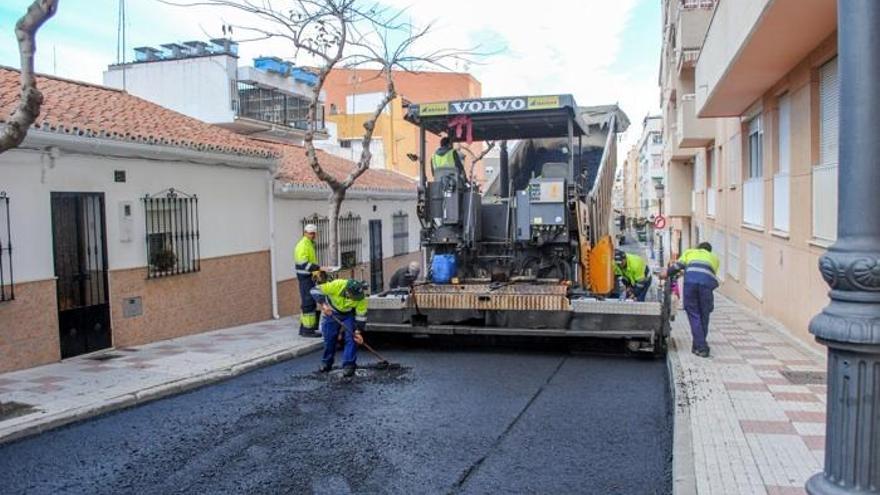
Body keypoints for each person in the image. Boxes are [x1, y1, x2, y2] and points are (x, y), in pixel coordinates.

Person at [666, 242, 720, 358]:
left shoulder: (690, 252)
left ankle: (701, 347)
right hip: (706, 286)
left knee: (694, 314)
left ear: (698, 248)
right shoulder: (714, 258)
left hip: (691, 284)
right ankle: (697, 346)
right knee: (704, 315)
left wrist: (666, 273)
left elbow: (677, 267)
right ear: (709, 251)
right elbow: (709, 274)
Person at [311, 279, 368, 377]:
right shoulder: (337, 285)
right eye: (353, 297)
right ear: (347, 291)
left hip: (347, 315)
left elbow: (361, 316)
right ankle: (326, 363)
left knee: (351, 338)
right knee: (329, 339)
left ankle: (349, 365)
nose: (355, 299)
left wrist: (358, 332)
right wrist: (324, 305)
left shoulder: (360, 298)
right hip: (331, 313)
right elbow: (314, 290)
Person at [294, 224, 324, 338]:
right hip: (305, 278)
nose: (313, 235)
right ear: (305, 233)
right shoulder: (303, 245)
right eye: (310, 233)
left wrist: (316, 273)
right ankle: (308, 330)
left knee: (309, 303)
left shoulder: (309, 244)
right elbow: (304, 264)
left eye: (314, 233)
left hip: (308, 277)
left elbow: (311, 261)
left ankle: (304, 328)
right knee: (308, 304)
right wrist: (319, 269)